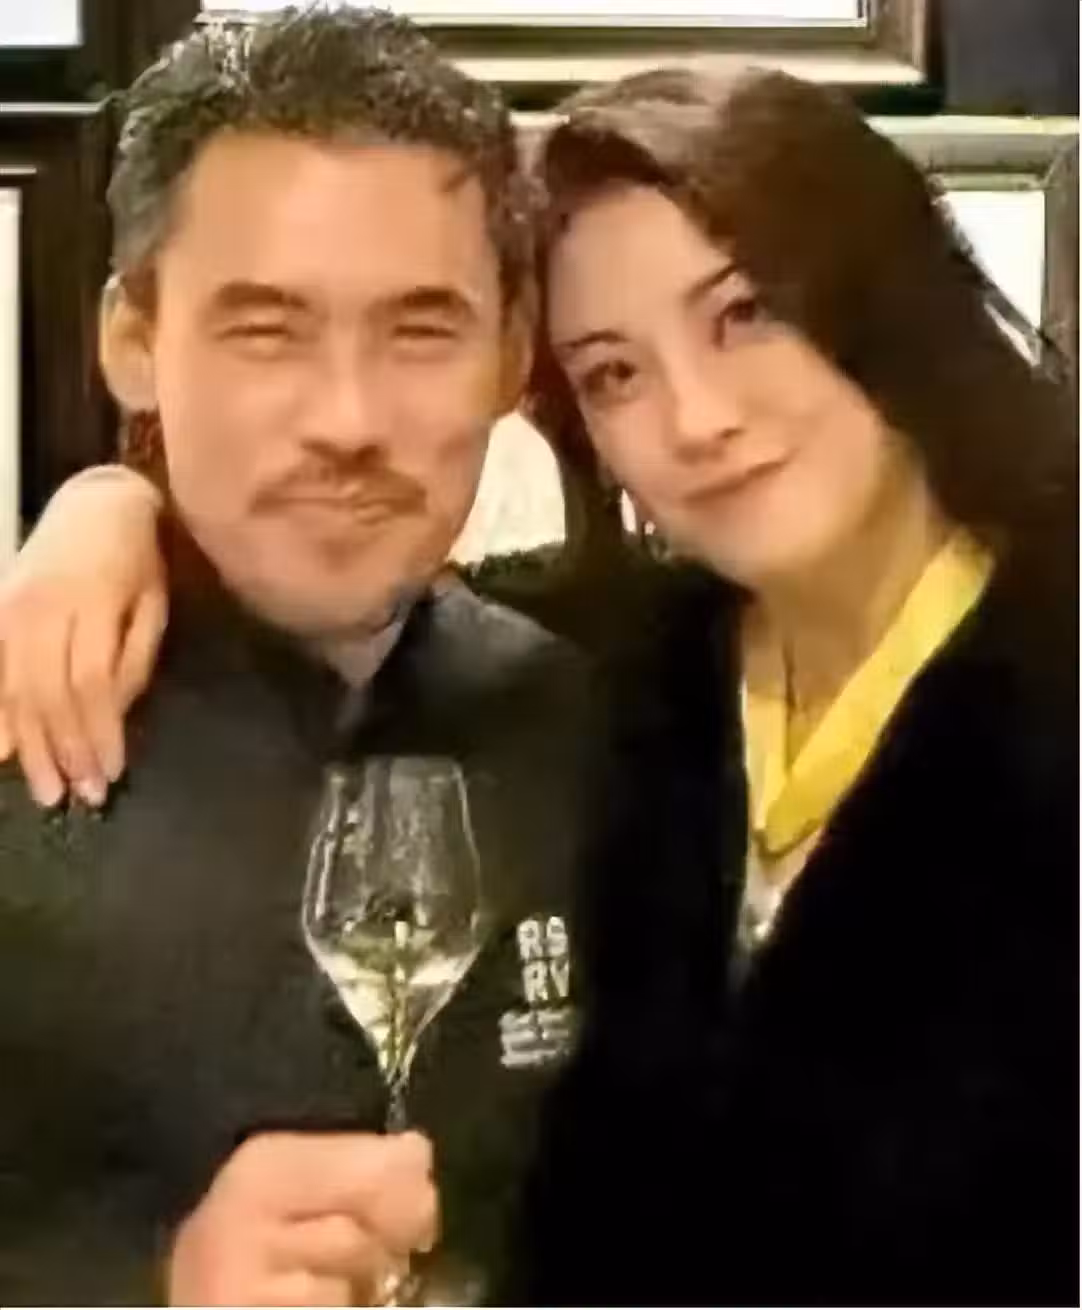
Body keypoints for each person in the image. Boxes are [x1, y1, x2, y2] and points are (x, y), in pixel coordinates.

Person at [2, 65, 1078, 1306]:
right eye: (614, 371)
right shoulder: (645, 667)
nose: (697, 417)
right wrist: (108, 508)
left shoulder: (584, 703)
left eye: (745, 312)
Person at [0, 9, 605, 1304]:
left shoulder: (600, 717)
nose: (347, 419)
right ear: (132, 341)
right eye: (265, 330)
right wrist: (146, 1287)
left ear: (511, 356)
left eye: (421, 330)